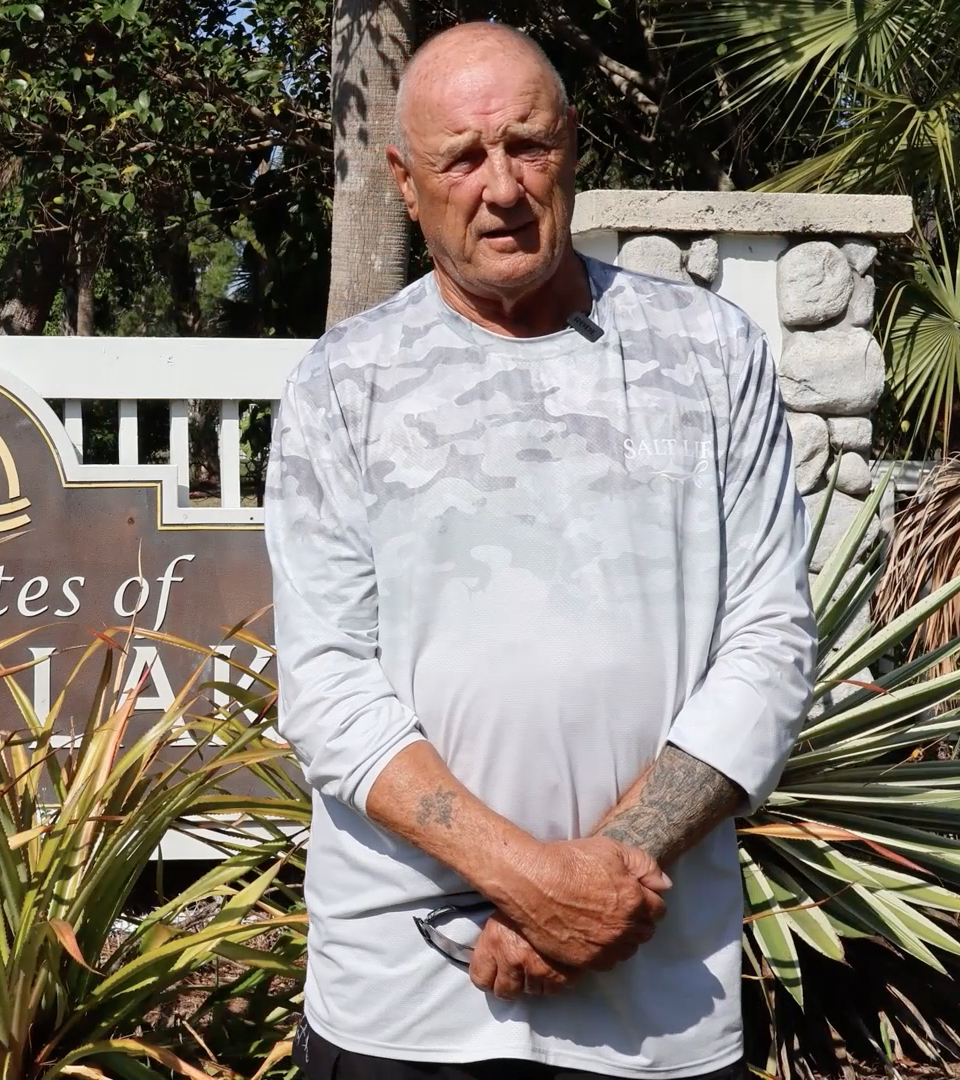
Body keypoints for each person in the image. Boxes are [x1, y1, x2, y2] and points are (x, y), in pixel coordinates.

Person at [265, 20, 816, 1080]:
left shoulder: (709, 353)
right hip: (404, 992)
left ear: (573, 148)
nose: (502, 187)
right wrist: (531, 882)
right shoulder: (345, 382)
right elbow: (329, 683)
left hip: (655, 980)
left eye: (528, 145)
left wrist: (602, 878)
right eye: (461, 158)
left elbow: (769, 642)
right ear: (405, 179)